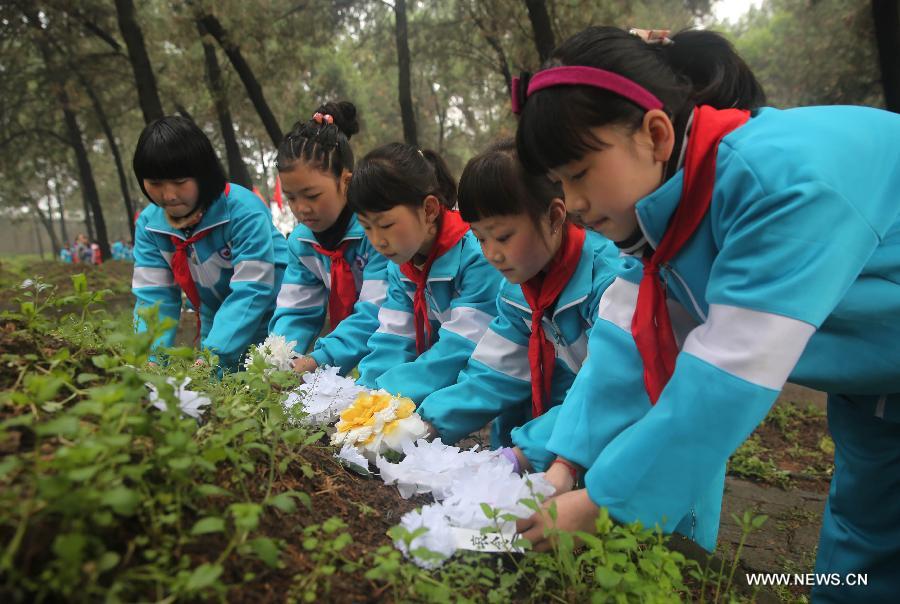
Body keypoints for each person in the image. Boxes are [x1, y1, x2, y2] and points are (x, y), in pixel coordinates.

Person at [512, 25, 900, 601]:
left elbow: (723, 380)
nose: (574, 204)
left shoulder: (778, 187)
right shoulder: (669, 213)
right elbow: (625, 339)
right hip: (880, 385)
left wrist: (602, 503)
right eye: (560, 183)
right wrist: (567, 463)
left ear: (655, 133)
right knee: (863, 544)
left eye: (580, 173)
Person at [416, 139, 634, 474]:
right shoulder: (519, 291)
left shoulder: (611, 284)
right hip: (583, 439)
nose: (492, 254)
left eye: (503, 237)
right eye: (480, 238)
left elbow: (608, 388)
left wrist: (523, 455)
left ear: (554, 216)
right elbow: (494, 376)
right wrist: (421, 425)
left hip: (639, 448)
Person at [131, 116, 288, 371]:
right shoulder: (150, 225)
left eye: (180, 182)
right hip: (216, 319)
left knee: (267, 388)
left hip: (271, 318)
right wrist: (149, 358)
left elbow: (252, 289)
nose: (168, 195)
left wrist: (212, 354)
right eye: (156, 184)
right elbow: (154, 298)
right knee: (215, 394)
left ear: (203, 174)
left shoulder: (243, 211)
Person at [349, 143, 501, 403]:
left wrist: (386, 395)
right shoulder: (402, 266)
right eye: (367, 228)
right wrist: (364, 392)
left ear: (429, 210)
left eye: (385, 225)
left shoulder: (477, 256)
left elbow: (459, 346)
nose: (378, 241)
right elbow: (394, 336)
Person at [268, 102, 389, 374]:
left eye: (312, 196)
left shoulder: (378, 232)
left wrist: (319, 359)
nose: (301, 208)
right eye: (291, 198)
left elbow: (375, 312)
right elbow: (296, 310)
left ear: (346, 181)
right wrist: (278, 357)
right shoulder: (302, 243)